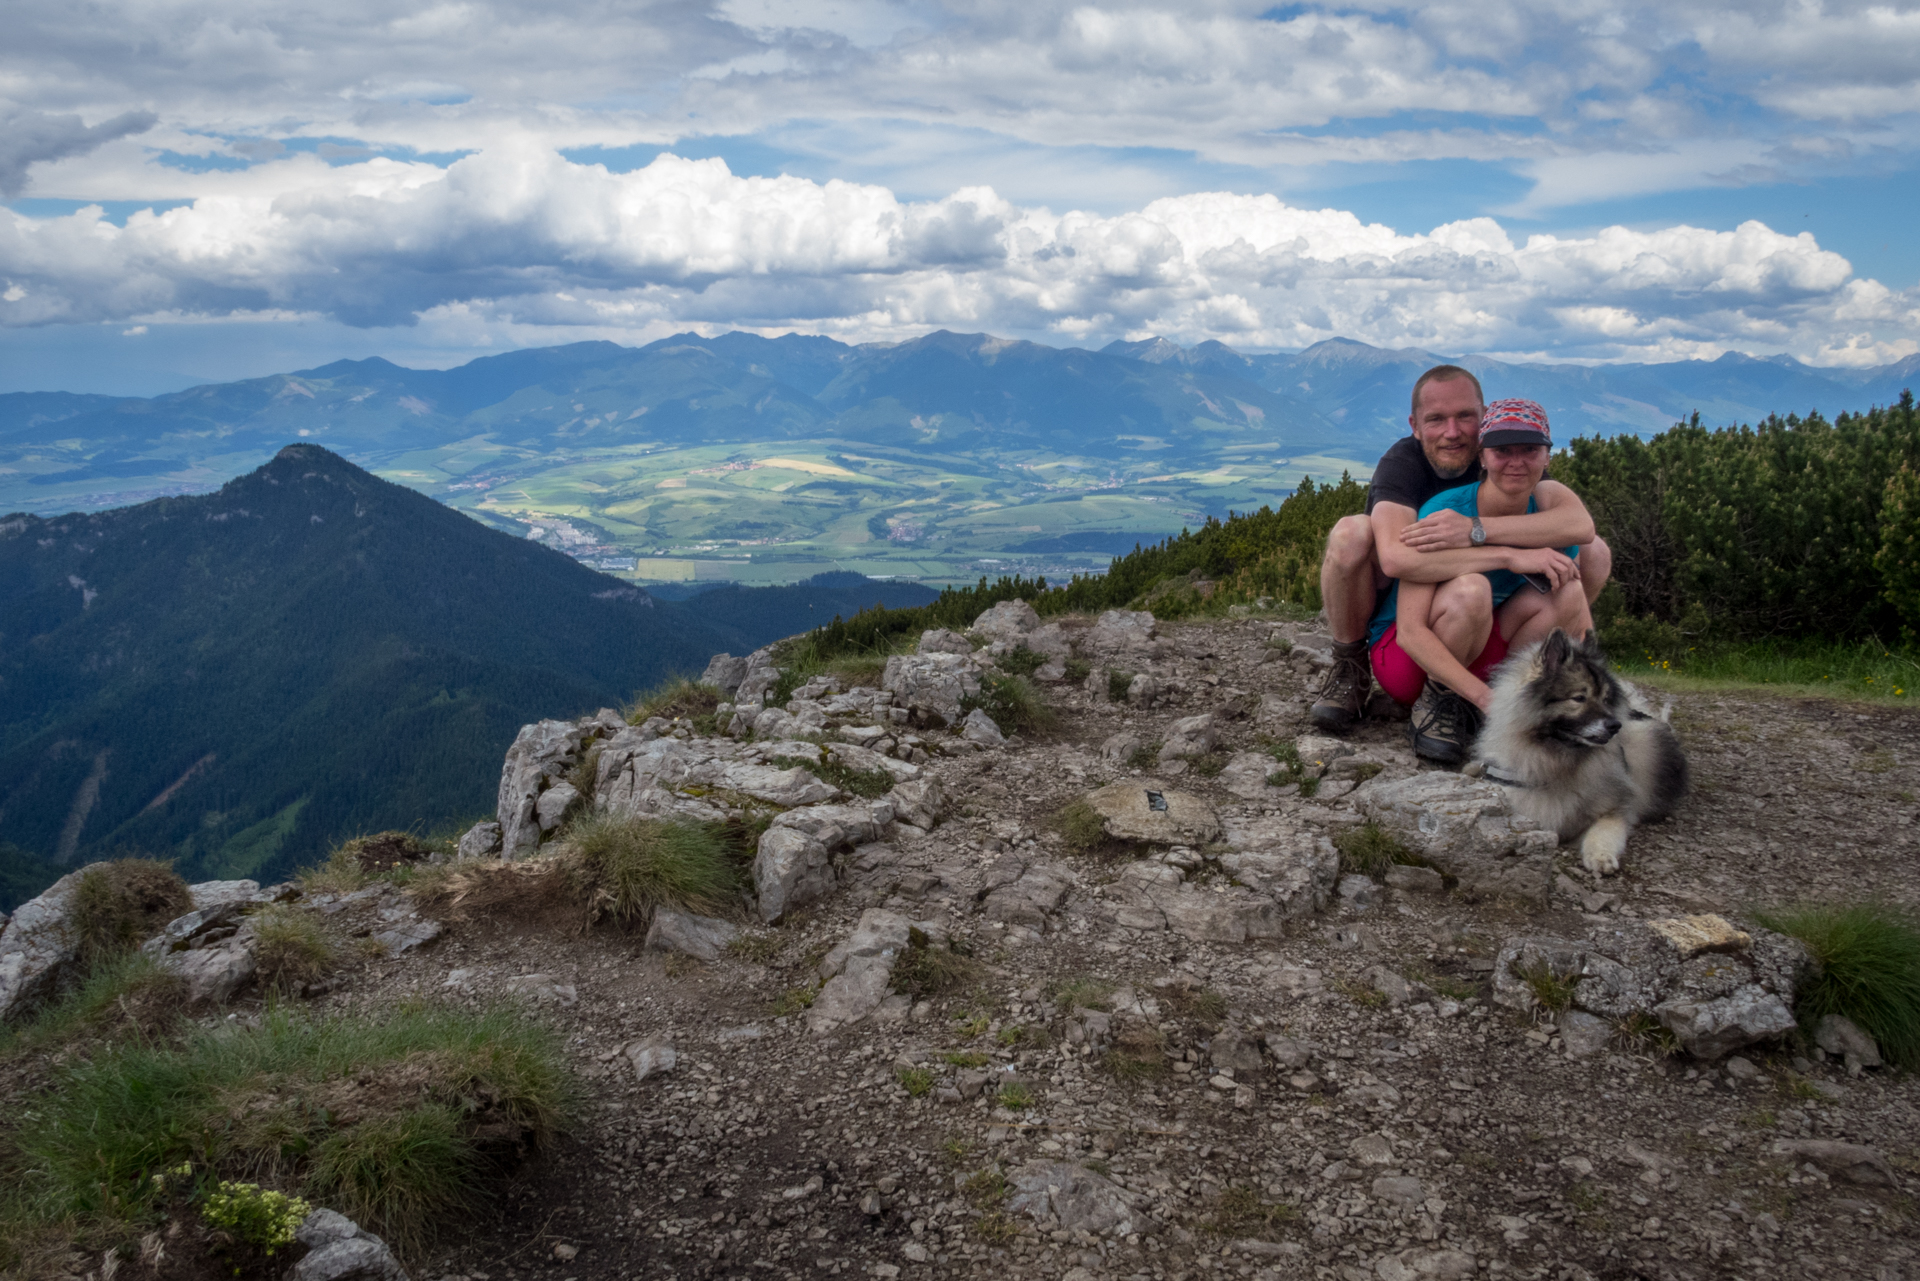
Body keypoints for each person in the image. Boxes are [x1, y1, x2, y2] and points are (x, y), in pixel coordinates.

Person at [1308, 366, 1611, 747]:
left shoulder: (1513, 460)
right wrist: (1508, 556)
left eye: (1465, 416)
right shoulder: (1405, 467)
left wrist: (1473, 529)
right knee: (1362, 540)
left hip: (1481, 615)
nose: (1453, 432)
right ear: (1415, 426)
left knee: (1589, 558)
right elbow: (1397, 561)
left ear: (1483, 419)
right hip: (1412, 608)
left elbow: (1580, 528)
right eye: (1436, 419)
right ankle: (1353, 665)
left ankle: (1544, 682)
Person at [1365, 398, 1593, 763]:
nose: (1516, 462)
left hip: (1484, 649)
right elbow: (1410, 631)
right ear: (1482, 458)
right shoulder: (1444, 513)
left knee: (1569, 588)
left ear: (1547, 457)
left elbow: (1584, 532)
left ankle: (1528, 695)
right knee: (1472, 590)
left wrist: (1596, 691)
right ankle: (1438, 704)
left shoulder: (1550, 501)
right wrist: (1487, 700)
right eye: (1502, 451)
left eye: (1530, 450)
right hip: (1412, 663)